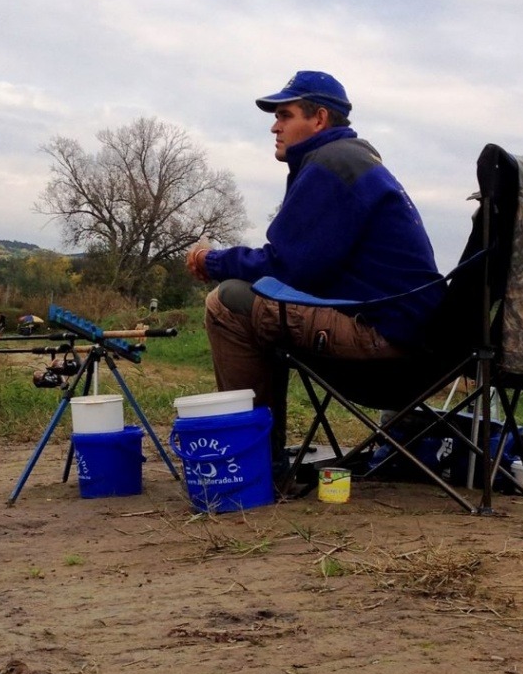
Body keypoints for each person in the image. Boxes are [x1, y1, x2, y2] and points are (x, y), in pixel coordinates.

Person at [186, 69, 445, 468]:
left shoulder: (332, 165)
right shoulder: (354, 160)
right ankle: (261, 456)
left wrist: (212, 260)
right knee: (260, 302)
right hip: (419, 343)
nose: (274, 126)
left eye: (285, 115)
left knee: (228, 302)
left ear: (319, 119)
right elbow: (306, 269)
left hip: (385, 342)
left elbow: (287, 268)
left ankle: (252, 462)